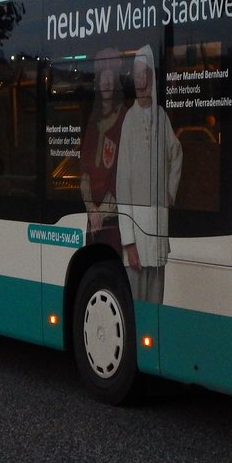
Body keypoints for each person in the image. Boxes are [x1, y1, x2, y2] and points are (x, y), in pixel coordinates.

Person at [116, 45, 182, 304]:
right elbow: (123, 184)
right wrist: (129, 243)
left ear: (151, 78)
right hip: (136, 237)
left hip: (158, 229)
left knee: (157, 302)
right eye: (137, 75)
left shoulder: (161, 117)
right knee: (137, 302)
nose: (141, 80)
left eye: (145, 75)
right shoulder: (129, 121)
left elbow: (176, 153)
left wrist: (169, 191)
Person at [80, 48, 126, 253]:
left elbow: (123, 176)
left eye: (111, 76)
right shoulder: (93, 120)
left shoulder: (125, 118)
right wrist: (91, 210)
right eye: (102, 77)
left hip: (114, 222)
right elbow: (84, 172)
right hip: (94, 222)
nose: (107, 82)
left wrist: (101, 213)